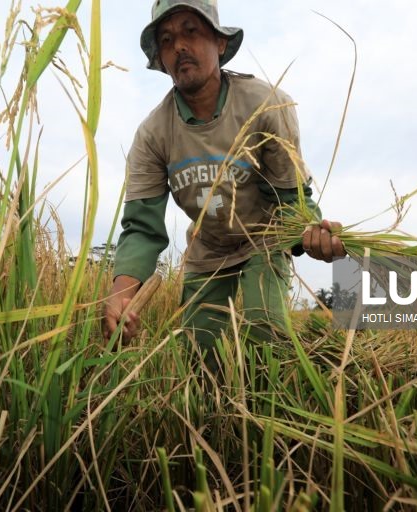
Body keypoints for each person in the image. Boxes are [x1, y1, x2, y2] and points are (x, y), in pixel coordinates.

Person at [102, 0, 345, 367]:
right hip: (209, 248)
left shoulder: (266, 106)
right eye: (166, 39)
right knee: (201, 356)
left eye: (190, 31)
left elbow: (290, 196)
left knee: (265, 332)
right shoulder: (153, 135)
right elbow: (141, 228)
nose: (179, 45)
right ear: (162, 59)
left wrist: (312, 234)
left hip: (265, 238)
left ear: (219, 42)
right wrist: (121, 295)